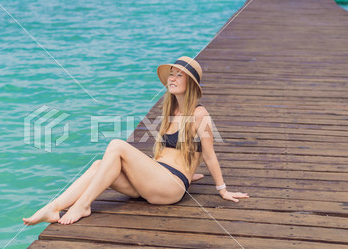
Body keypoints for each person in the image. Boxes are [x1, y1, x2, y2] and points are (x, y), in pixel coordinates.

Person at [23, 56, 249, 226]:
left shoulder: (200, 114)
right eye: (172, 73)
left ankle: (83, 205)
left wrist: (222, 189)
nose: (172, 78)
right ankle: (54, 208)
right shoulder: (171, 111)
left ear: (190, 83)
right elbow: (170, 155)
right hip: (158, 179)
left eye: (179, 75)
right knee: (98, 165)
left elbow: (208, 154)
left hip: (171, 187)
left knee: (117, 145)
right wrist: (192, 174)